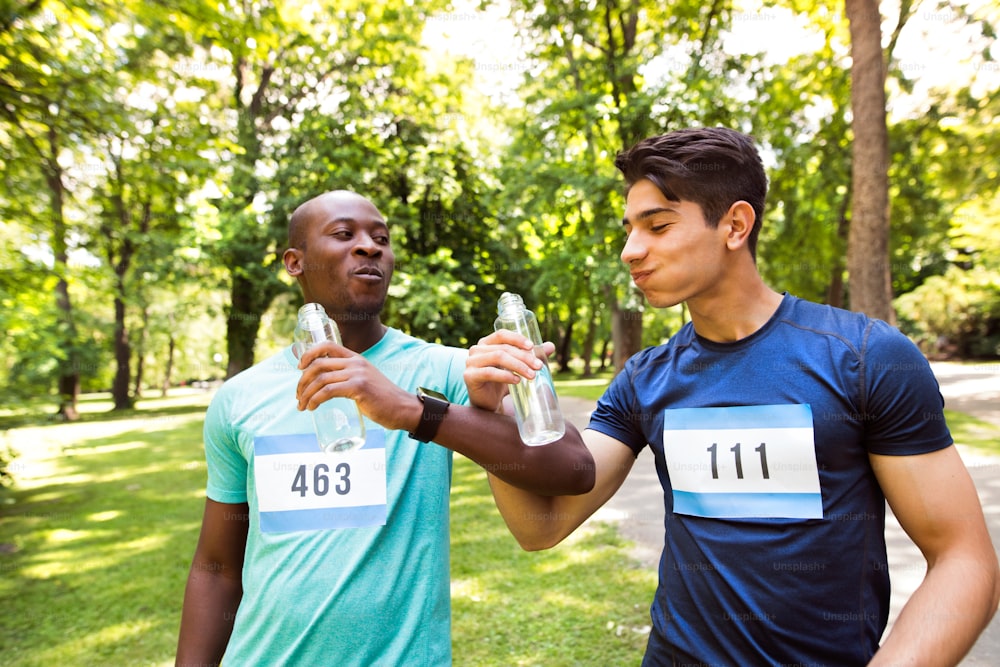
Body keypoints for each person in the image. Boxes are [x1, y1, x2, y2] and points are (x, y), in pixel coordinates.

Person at [465, 128, 1000, 666]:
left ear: (735, 225)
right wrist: (491, 415)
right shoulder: (644, 378)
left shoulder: (865, 357)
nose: (630, 251)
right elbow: (542, 525)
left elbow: (963, 560)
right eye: (629, 229)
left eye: (658, 225)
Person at [175, 190, 594, 666]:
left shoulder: (449, 372)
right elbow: (216, 569)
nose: (370, 246)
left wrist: (414, 411)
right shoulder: (238, 399)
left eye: (381, 238)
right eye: (344, 234)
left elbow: (574, 469)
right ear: (295, 262)